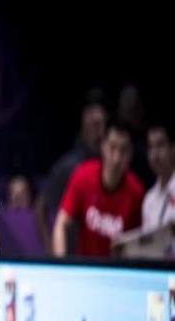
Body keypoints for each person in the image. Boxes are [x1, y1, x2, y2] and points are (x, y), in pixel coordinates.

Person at [52, 123, 144, 257]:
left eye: (123, 150)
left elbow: (139, 243)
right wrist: (61, 263)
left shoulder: (136, 191)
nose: (117, 158)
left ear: (130, 154)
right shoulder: (83, 175)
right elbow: (61, 224)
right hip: (85, 264)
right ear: (103, 146)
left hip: (118, 266)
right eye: (112, 147)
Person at [35, 91, 107, 253]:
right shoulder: (69, 166)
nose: (97, 131)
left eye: (100, 124)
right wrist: (49, 244)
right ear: (84, 125)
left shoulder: (110, 166)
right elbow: (41, 205)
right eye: (93, 124)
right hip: (72, 254)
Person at [142, 121, 175, 231]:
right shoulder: (149, 200)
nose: (155, 154)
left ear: (172, 148)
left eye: (160, 145)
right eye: (151, 147)